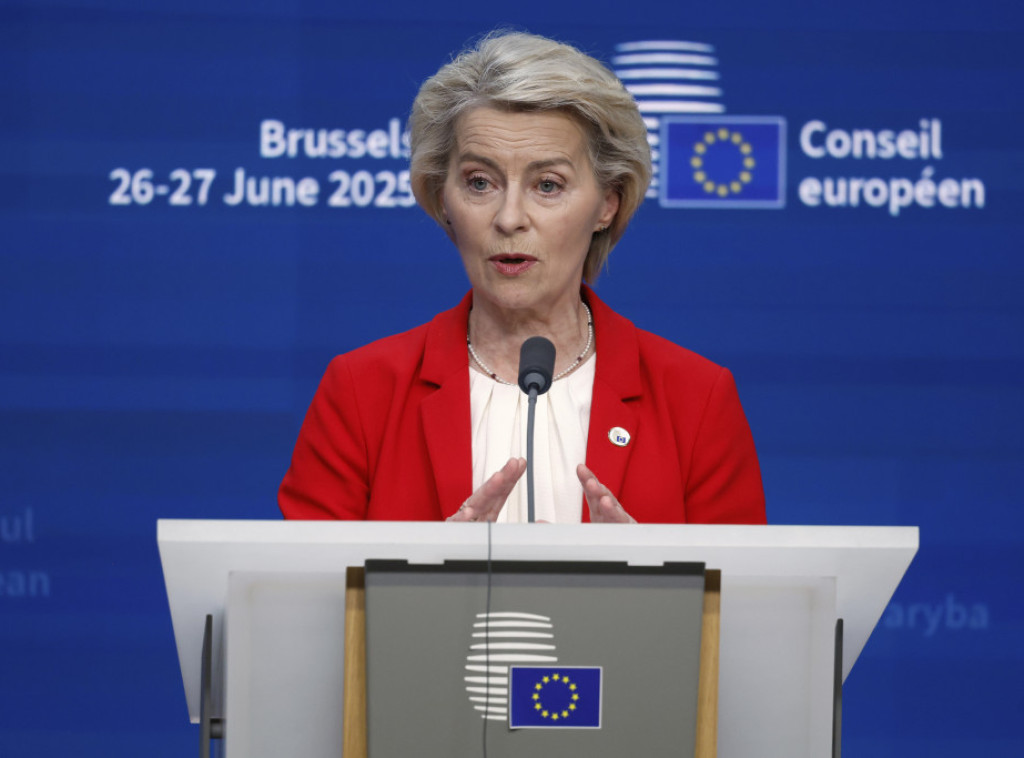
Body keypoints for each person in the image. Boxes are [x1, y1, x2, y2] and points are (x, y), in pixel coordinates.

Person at [279, 32, 765, 525]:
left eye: (547, 185)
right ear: (443, 199)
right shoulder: (362, 391)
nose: (509, 218)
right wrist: (429, 565)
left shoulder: (696, 399)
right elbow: (304, 575)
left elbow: (742, 576)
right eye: (480, 182)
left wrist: (647, 568)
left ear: (607, 204)